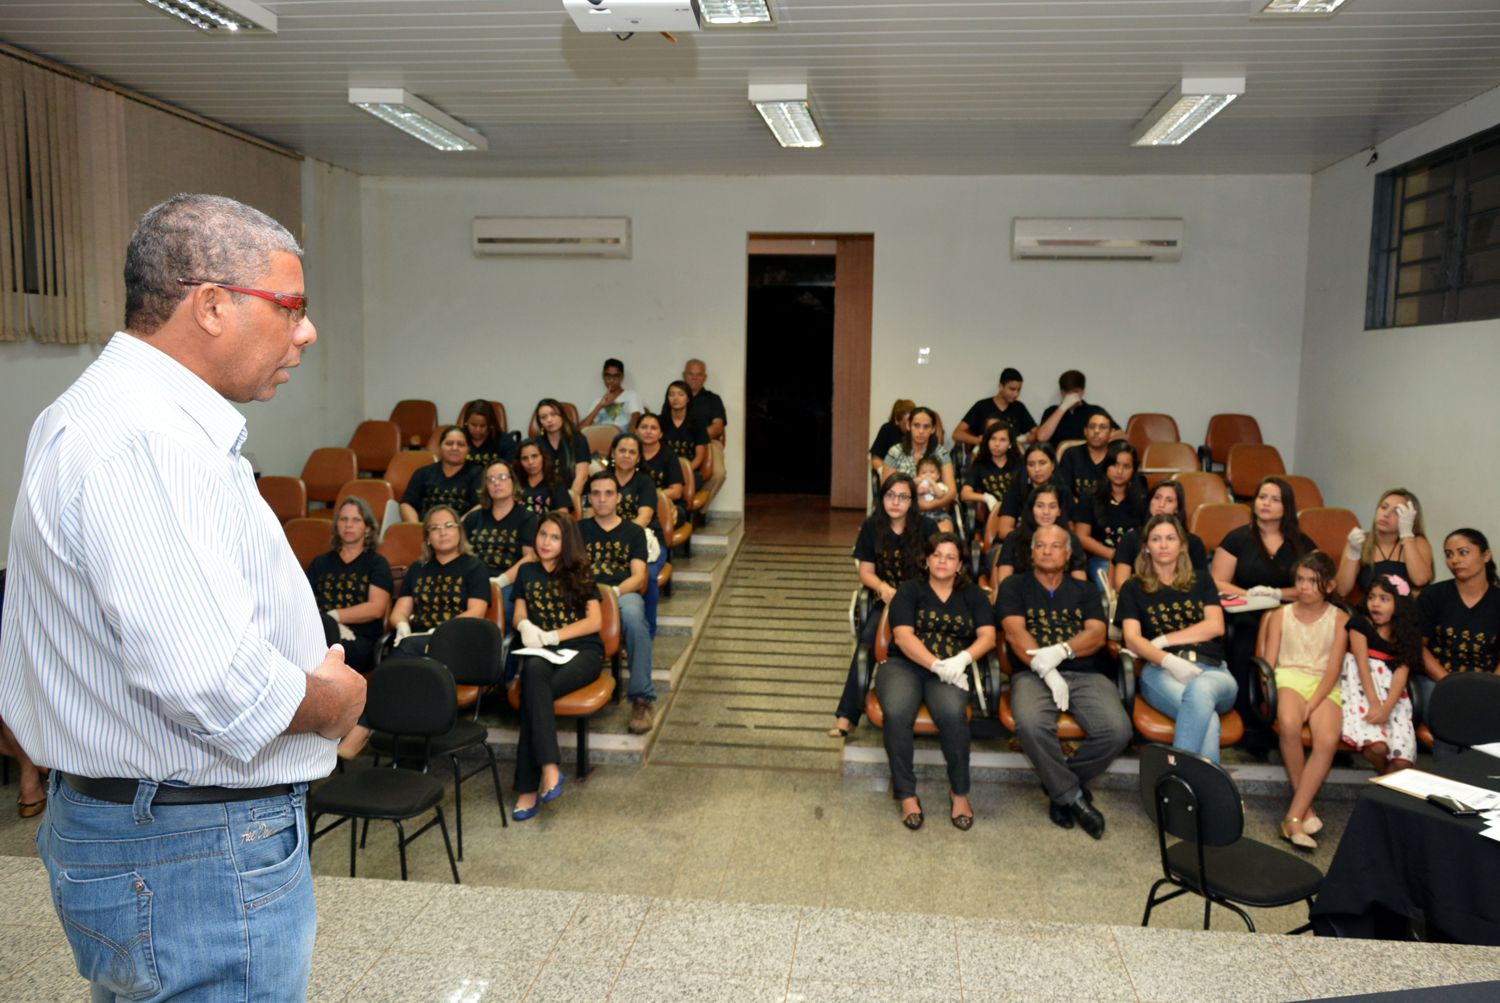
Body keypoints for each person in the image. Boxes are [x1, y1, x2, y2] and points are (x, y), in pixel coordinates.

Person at [0, 193, 365, 999]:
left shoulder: (95, 412)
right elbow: (214, 683)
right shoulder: (150, 440)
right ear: (210, 305)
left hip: (144, 829)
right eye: (291, 307)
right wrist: (331, 702)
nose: (305, 332)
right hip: (192, 843)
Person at [997, 525, 1129, 839]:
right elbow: (1016, 634)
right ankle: (1074, 798)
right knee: (1029, 724)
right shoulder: (1014, 585)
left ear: (1068, 555)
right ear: (1031, 554)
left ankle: (1059, 786)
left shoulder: (1083, 590)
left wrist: (1063, 650)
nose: (1047, 550)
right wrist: (1048, 669)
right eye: (1040, 545)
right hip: (1031, 673)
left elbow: (1096, 635)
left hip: (1086, 673)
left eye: (1055, 546)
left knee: (1117, 730)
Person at [877, 531, 995, 831]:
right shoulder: (909, 590)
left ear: (960, 565)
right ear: (927, 560)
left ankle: (959, 794)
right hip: (906, 665)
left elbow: (988, 637)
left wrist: (962, 660)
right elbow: (903, 637)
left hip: (953, 668)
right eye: (937, 555)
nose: (942, 561)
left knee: (954, 715)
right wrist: (934, 664)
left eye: (950, 557)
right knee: (897, 712)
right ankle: (906, 794)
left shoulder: (973, 595)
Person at [1118, 515, 1235, 762]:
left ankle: (1176, 778)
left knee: (1201, 689)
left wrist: (1163, 640)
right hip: (1160, 673)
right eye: (1156, 539)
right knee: (1208, 718)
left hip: (1214, 672)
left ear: (1182, 545)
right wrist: (1168, 660)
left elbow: (1216, 626)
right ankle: (1205, 796)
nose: (1163, 545)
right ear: (1146, 547)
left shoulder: (1201, 579)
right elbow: (1132, 639)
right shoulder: (1133, 587)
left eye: (1170, 538)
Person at [510, 512, 604, 820]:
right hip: (540, 651)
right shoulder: (526, 572)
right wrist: (525, 625)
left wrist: (553, 635)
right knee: (535, 675)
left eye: (554, 537)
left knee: (533, 696)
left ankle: (529, 788)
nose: (546, 542)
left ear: (566, 543)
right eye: (542, 535)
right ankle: (549, 769)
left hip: (582, 652)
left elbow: (595, 621)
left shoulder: (580, 571)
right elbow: (518, 614)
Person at [1211, 476, 1316, 737]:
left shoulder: (1302, 544)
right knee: (1246, 634)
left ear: (1286, 507)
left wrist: (1277, 594)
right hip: (1247, 611)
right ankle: (1247, 722)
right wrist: (1250, 596)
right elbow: (1218, 581)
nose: (1266, 503)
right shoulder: (1238, 538)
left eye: (1274, 499)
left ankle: (1287, 715)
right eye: (1262, 497)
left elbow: (1315, 585)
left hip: (1291, 612)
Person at [1263, 552, 1350, 851]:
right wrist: (1269, 690)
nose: (1304, 586)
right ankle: (1305, 810)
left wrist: (1314, 701)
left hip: (1325, 683)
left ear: (1329, 585)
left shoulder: (1341, 619)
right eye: (1300, 579)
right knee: (1288, 723)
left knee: (1327, 738)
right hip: (1289, 677)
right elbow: (1269, 664)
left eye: (1313, 581)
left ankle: (1292, 818)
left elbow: (1334, 668)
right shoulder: (1279, 615)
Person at [830, 472, 927, 739]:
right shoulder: (873, 526)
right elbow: (866, 572)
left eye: (903, 497)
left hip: (921, 602)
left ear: (912, 501)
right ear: (882, 498)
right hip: (885, 602)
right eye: (890, 495)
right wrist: (882, 587)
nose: (896, 502)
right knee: (868, 642)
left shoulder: (926, 528)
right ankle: (847, 715)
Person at [579, 472, 657, 734]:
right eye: (596, 494)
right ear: (589, 498)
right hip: (584, 593)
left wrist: (611, 592)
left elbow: (638, 577)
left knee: (635, 620)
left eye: (608, 493)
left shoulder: (634, 532)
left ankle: (642, 699)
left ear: (618, 497)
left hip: (622, 593)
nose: (602, 499)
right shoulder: (578, 530)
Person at [1418, 528, 1500, 757]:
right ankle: (1446, 783)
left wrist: (1491, 688)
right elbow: (1418, 647)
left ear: (1486, 555)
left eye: (1463, 552)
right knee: (1451, 710)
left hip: (1486, 682)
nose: (1454, 560)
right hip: (1438, 679)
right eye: (1449, 554)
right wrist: (1447, 682)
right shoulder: (1434, 596)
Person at [1342, 574, 1420, 775]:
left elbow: (1401, 674)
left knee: (1402, 762)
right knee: (1377, 747)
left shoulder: (1405, 633)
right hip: (1361, 691)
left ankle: (1381, 788)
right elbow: (1361, 666)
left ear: (1399, 604)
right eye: (1371, 597)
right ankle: (1385, 783)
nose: (1375, 604)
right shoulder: (1360, 624)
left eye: (1384, 599)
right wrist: (1375, 703)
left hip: (1393, 699)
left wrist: (1386, 709)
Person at [307, 497, 394, 674]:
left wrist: (335, 617)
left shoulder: (377, 563)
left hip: (360, 639)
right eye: (344, 519)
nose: (348, 525)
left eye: (356, 520)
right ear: (336, 526)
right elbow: (304, 603)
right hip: (319, 633)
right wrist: (328, 624)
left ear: (367, 528)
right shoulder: (320, 563)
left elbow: (376, 608)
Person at [389, 504, 490, 654]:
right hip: (418, 637)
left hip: (457, 638)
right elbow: (399, 612)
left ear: (459, 532)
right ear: (428, 538)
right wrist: (402, 625)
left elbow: (477, 611)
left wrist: (440, 631)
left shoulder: (475, 567)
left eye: (449, 526)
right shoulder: (417, 568)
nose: (443, 532)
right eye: (435, 528)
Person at [463, 459, 538, 628]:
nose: (497, 483)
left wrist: (500, 581)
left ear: (514, 482)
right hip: (473, 580)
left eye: (503, 477)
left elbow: (530, 557)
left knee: (499, 610)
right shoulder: (474, 518)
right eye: (491, 479)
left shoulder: (527, 518)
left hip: (508, 582)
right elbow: (461, 553)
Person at [608, 431, 669, 633]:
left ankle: (647, 632)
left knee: (648, 576)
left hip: (646, 543)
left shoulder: (644, 482)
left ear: (638, 457)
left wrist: (618, 536)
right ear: (613, 453)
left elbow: (643, 518)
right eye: (622, 451)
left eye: (632, 452)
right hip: (609, 543)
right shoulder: (603, 481)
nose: (626, 455)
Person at [990, 484, 1088, 597]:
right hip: (1021, 599)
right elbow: (1005, 583)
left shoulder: (1071, 539)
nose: (1046, 512)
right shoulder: (1014, 538)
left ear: (1059, 511)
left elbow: (1080, 585)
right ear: (1032, 509)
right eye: (1040, 506)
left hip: (1062, 600)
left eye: (1052, 506)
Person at [1110, 479, 1209, 590]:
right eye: (1157, 498)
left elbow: (1202, 584)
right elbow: (1121, 584)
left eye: (1169, 500)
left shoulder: (1193, 542)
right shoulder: (1131, 538)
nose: (1161, 504)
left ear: (1177, 509)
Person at [1336, 488, 1435, 598]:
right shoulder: (1359, 542)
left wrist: (1407, 535)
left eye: (1397, 512)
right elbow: (1341, 590)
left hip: (1408, 612)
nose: (1386, 514)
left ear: (1410, 518)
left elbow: (1420, 580)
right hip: (1370, 612)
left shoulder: (1416, 542)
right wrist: (1354, 553)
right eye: (1384, 507)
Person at [1074, 441, 1148, 586]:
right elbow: (1081, 537)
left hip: (1137, 560)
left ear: (1133, 470)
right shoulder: (1090, 496)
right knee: (1112, 585)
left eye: (1126, 466)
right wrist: (1114, 555)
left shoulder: (1142, 499)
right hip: (1102, 558)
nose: (1120, 471)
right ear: (1106, 466)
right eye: (1115, 464)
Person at [399, 424, 483, 524]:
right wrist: (417, 529)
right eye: (449, 443)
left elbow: (480, 506)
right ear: (440, 446)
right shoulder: (423, 473)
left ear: (468, 449)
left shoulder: (478, 474)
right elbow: (407, 504)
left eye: (460, 444)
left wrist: (458, 528)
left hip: (462, 531)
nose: (454, 448)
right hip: (426, 530)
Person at [993, 442, 1070, 543]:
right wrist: (1037, 541)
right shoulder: (1016, 489)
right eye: (1031, 464)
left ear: (1053, 465)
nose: (1037, 469)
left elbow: (1070, 531)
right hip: (1019, 543)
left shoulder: (1063, 491)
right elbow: (1004, 531)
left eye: (1042, 463)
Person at [952, 368, 1037, 451]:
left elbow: (1037, 433)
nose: (1016, 394)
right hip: (983, 454)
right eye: (1012, 389)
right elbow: (957, 434)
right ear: (1001, 387)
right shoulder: (982, 406)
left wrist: (1021, 440)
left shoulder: (1019, 408)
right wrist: (981, 441)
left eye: (1019, 390)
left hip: (1011, 457)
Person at [959, 418, 1022, 523]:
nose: (996, 444)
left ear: (1010, 444)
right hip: (993, 516)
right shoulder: (981, 464)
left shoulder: (1019, 464)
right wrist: (986, 498)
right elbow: (964, 494)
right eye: (993, 439)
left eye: (1002, 440)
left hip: (1017, 514)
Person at [683, 359, 728, 503]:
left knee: (718, 474)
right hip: (679, 443)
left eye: (699, 374)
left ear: (705, 377)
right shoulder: (675, 397)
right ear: (684, 375)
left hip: (709, 442)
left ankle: (699, 509)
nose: (695, 378)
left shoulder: (713, 399)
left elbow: (718, 427)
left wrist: (697, 438)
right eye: (691, 374)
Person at [1033, 370, 1118, 445]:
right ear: (1062, 393)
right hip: (1059, 461)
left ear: (1083, 391)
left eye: (1075, 392)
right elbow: (1041, 438)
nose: (1071, 397)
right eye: (1067, 392)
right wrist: (1063, 407)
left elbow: (1120, 435)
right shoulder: (1051, 411)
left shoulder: (1095, 411)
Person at [1054, 410, 1116, 507]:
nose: (1096, 431)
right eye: (1092, 427)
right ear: (1085, 431)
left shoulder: (1117, 456)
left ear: (1111, 433)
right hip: (1076, 510)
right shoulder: (1071, 454)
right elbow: (1063, 490)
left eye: (1102, 427)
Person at [532, 398, 591, 499]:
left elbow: (582, 476)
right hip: (546, 497)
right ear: (540, 422)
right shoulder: (536, 444)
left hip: (576, 495)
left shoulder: (578, 440)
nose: (549, 420)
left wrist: (568, 500)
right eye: (543, 417)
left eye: (553, 414)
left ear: (562, 416)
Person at [636, 412, 687, 526]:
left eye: (653, 428)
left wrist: (647, 497)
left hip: (665, 503)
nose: (648, 431)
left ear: (660, 434)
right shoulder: (630, 454)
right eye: (644, 427)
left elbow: (676, 492)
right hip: (635, 504)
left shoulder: (669, 456)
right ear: (636, 431)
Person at [661, 379, 711, 482]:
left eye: (680, 394)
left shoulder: (698, 423)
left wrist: (683, 472)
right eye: (672, 394)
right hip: (663, 471)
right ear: (667, 398)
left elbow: (699, 457)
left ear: (688, 398)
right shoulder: (659, 422)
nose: (676, 398)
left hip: (689, 471)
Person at [580, 357, 644, 432]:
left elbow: (636, 421)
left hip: (623, 441)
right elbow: (581, 431)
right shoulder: (598, 401)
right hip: (601, 440)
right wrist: (599, 406)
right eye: (608, 376)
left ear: (622, 377)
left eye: (616, 376)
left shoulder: (631, 396)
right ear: (603, 376)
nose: (611, 380)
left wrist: (626, 439)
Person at [516, 437, 573, 517]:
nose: (530, 462)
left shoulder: (556, 483)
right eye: (524, 458)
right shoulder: (515, 483)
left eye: (534, 456)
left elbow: (563, 518)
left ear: (543, 457)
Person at [461, 398, 513, 471]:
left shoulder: (504, 441)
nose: (477, 429)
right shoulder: (458, 439)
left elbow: (509, 471)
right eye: (473, 425)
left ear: (491, 425)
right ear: (466, 423)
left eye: (482, 426)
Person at [869, 398, 916, 476]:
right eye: (906, 423)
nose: (910, 426)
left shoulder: (919, 433)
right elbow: (876, 459)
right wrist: (886, 475)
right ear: (897, 421)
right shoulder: (888, 429)